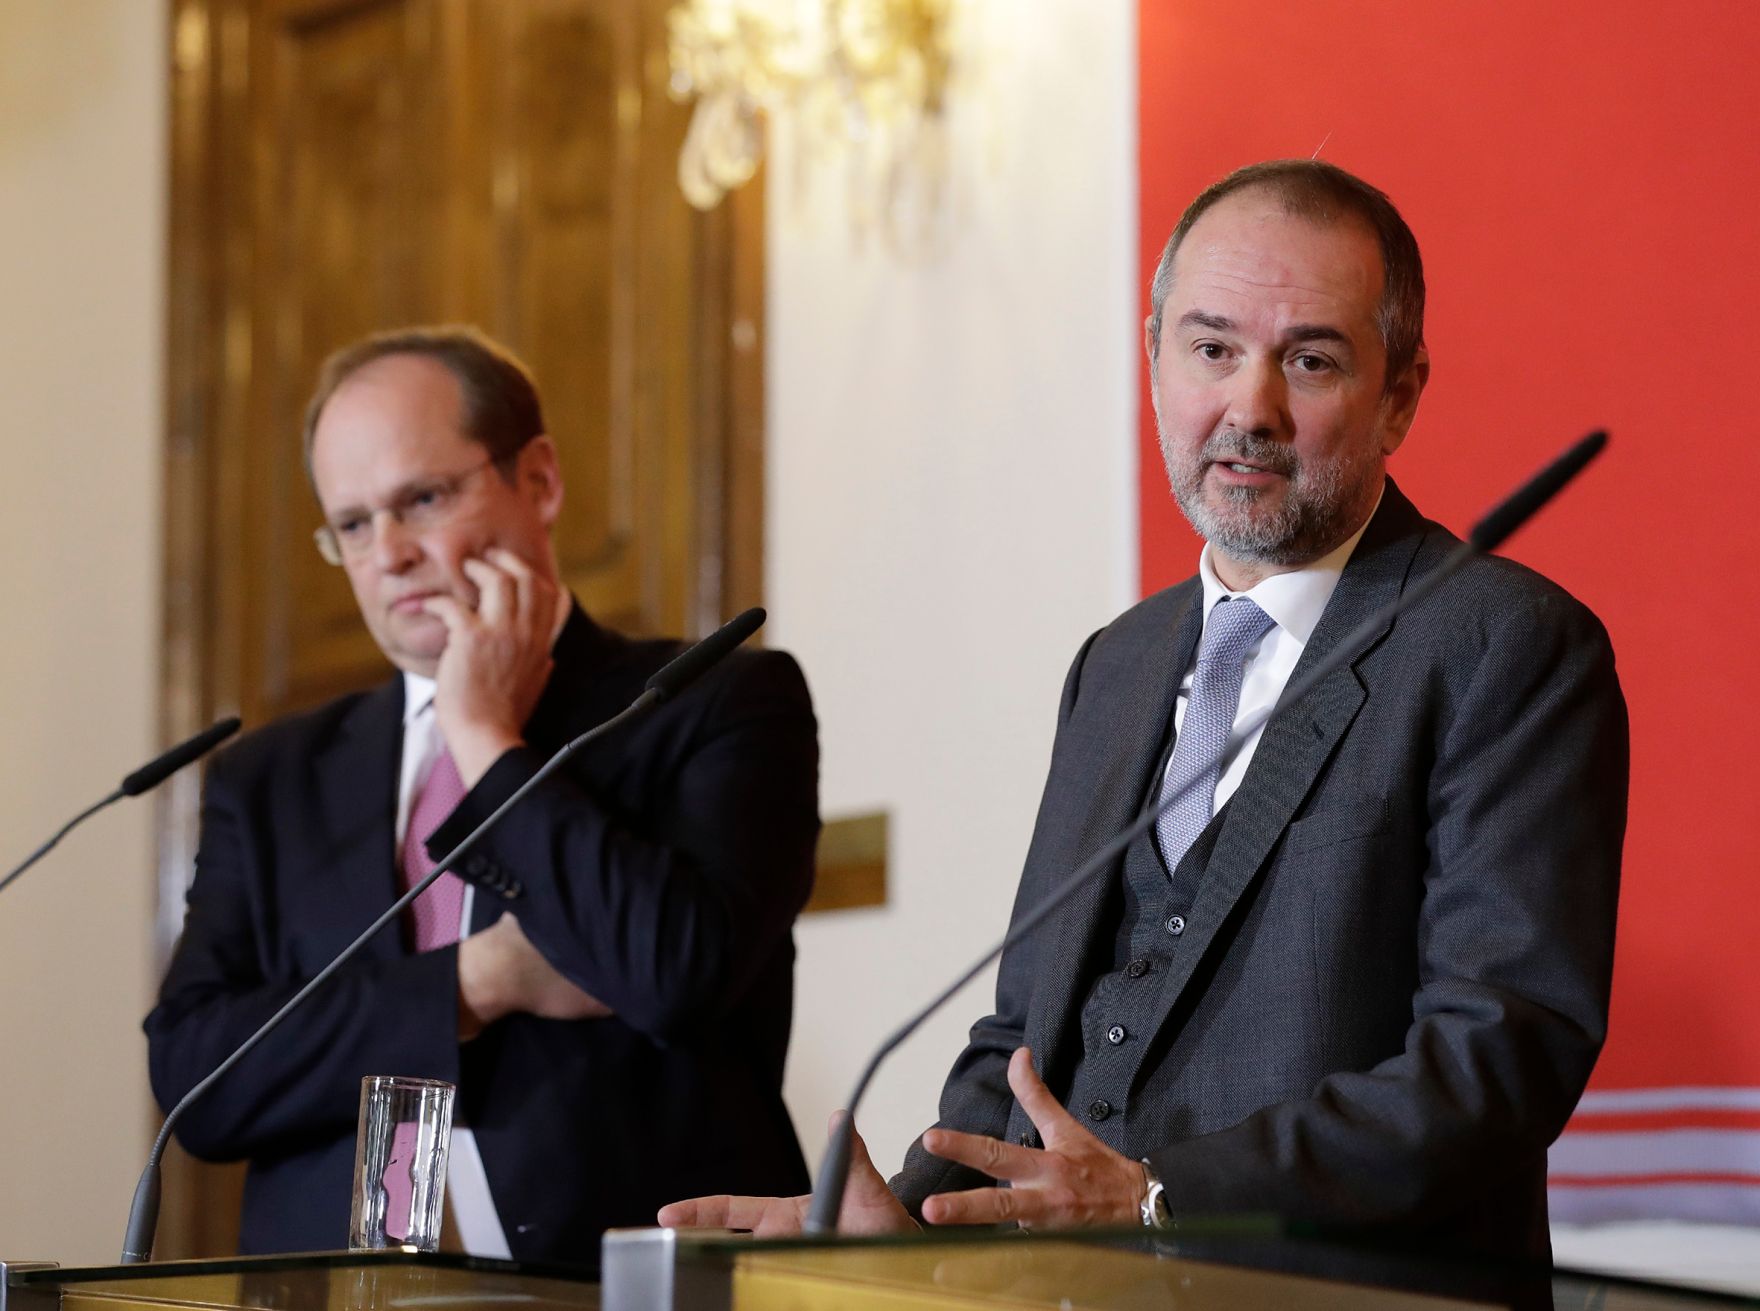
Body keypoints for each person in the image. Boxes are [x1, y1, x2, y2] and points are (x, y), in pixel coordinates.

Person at [660, 160, 1628, 1262]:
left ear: (1397, 395)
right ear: (1154, 355)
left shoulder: (1501, 642)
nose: (1247, 409)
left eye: (1308, 360)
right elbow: (1022, 1034)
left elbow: (1494, 1058)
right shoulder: (1114, 665)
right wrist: (907, 1218)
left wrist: (1164, 1194)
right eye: (1210, 349)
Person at [146, 326, 820, 1263]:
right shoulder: (271, 777)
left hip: (619, 1279)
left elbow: (677, 971)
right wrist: (477, 981)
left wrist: (482, 734)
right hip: (342, 1290)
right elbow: (196, 1079)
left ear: (537, 480)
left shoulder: (716, 701)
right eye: (351, 524)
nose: (387, 554)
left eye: (422, 498)